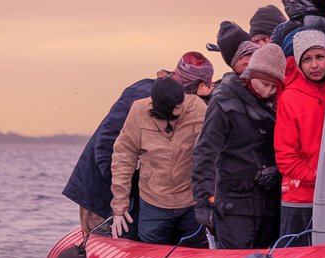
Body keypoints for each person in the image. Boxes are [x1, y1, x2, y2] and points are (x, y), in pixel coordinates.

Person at [63, 53, 214, 240]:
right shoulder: (142, 97)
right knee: (107, 244)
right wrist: (126, 195)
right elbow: (106, 146)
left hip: (150, 198)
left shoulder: (188, 105)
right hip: (99, 190)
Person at [192, 44, 285, 249]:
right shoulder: (224, 101)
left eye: (274, 87)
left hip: (269, 203)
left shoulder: (278, 104)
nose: (268, 91)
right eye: (263, 83)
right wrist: (205, 203)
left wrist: (277, 170)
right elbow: (205, 152)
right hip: (234, 206)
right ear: (250, 75)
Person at [109, 75, 207, 245]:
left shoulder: (198, 108)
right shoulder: (138, 111)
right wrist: (119, 207)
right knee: (149, 252)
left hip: (192, 202)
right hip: (154, 204)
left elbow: (213, 152)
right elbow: (123, 158)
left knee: (198, 252)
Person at [275, 30, 325, 244]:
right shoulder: (290, 97)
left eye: (319, 57)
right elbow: (285, 156)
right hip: (300, 199)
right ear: (299, 64)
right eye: (307, 59)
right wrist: (318, 177)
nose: (315, 65)